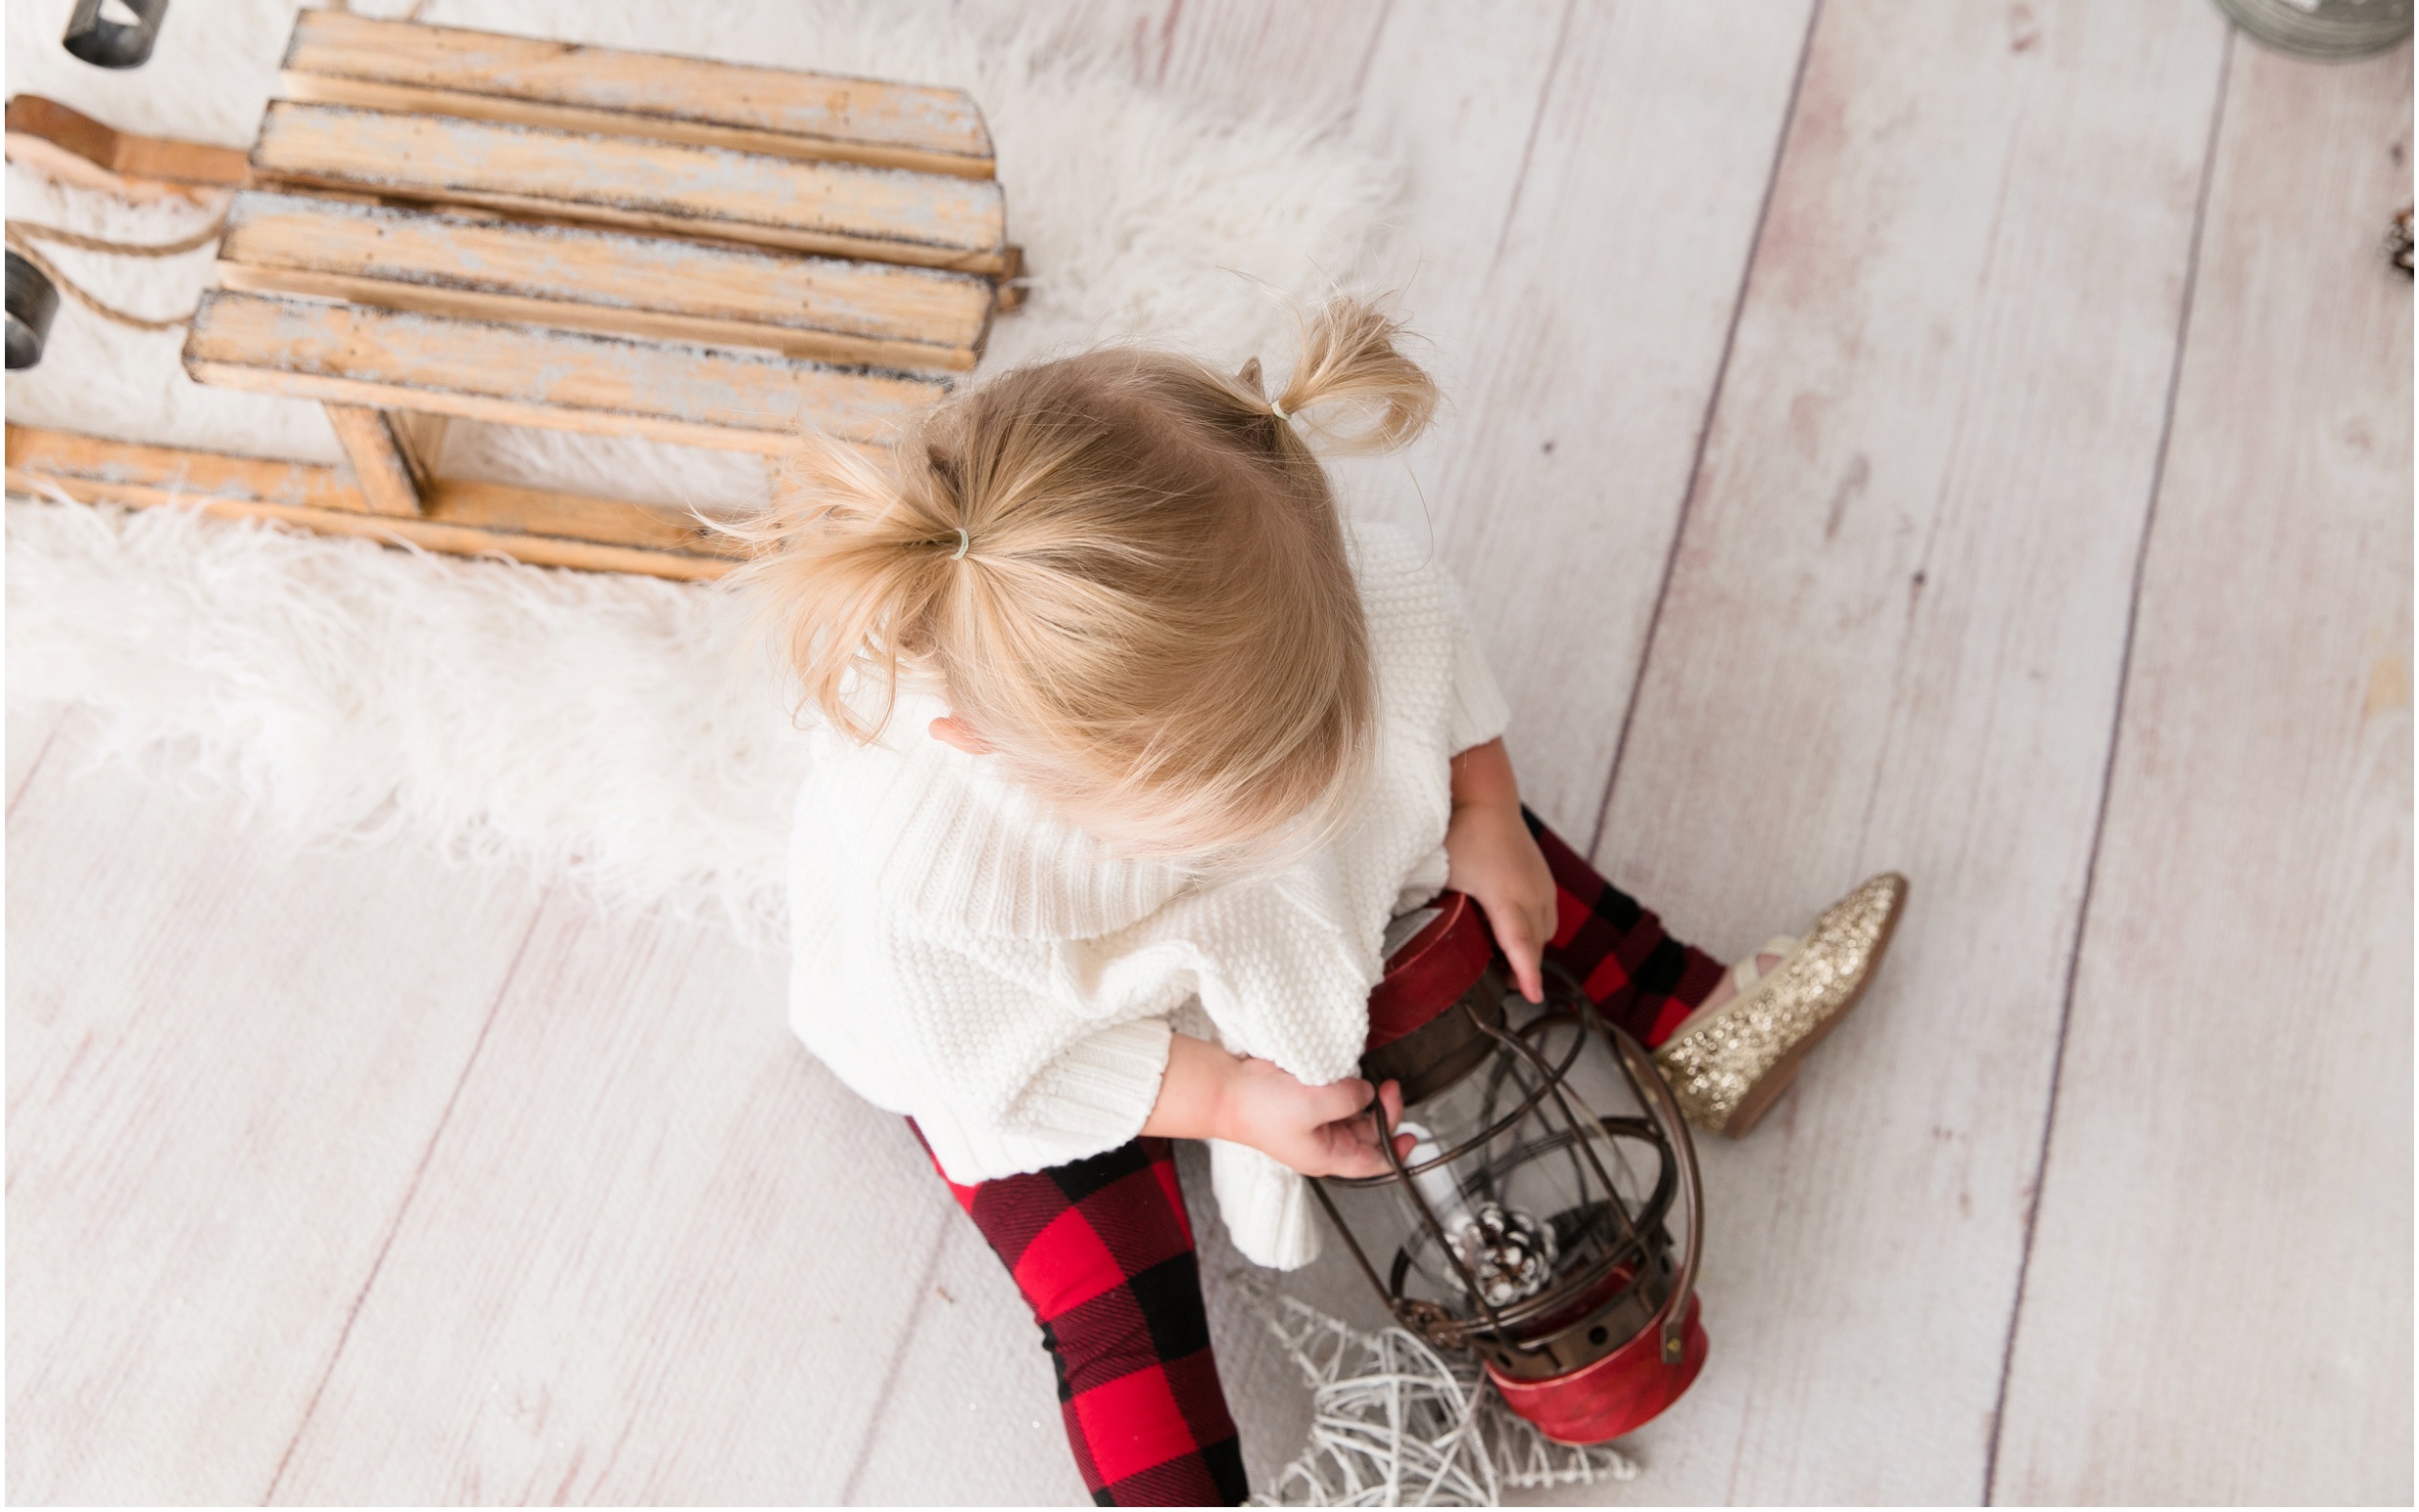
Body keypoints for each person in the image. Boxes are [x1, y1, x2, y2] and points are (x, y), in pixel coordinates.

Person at [747, 299, 1905, 1506]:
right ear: (980, 744)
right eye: (1242, 784)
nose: (1293, 781)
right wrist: (1231, 1098)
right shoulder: (924, 884)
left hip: (1245, 905)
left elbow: (1421, 648)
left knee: (1440, 829)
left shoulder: (1297, 581)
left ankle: (1682, 1006)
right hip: (1053, 1040)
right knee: (1113, 1303)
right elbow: (979, 1061)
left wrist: (1484, 809)